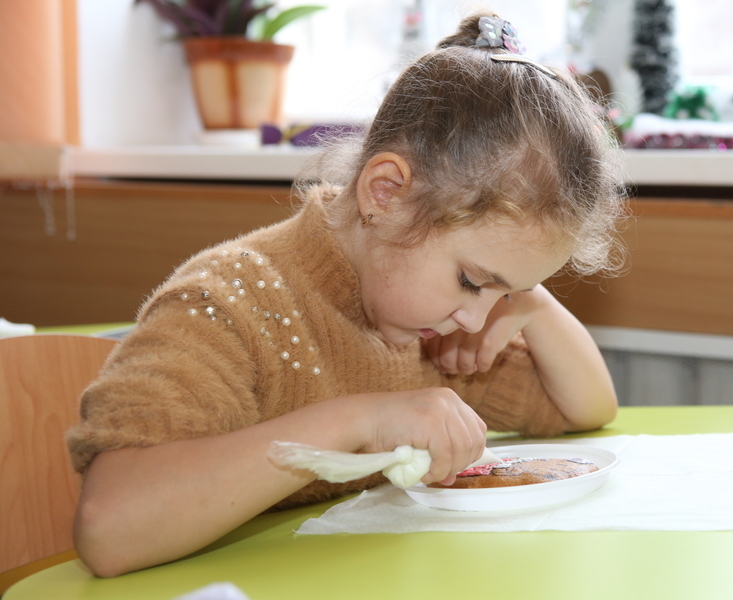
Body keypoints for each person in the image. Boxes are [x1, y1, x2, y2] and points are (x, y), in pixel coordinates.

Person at [66, 13, 627, 578]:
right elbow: (109, 528)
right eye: (473, 281)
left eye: (502, 293)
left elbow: (584, 408)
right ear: (385, 194)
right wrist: (358, 419)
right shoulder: (228, 303)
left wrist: (533, 304)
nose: (475, 317)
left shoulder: (427, 320)